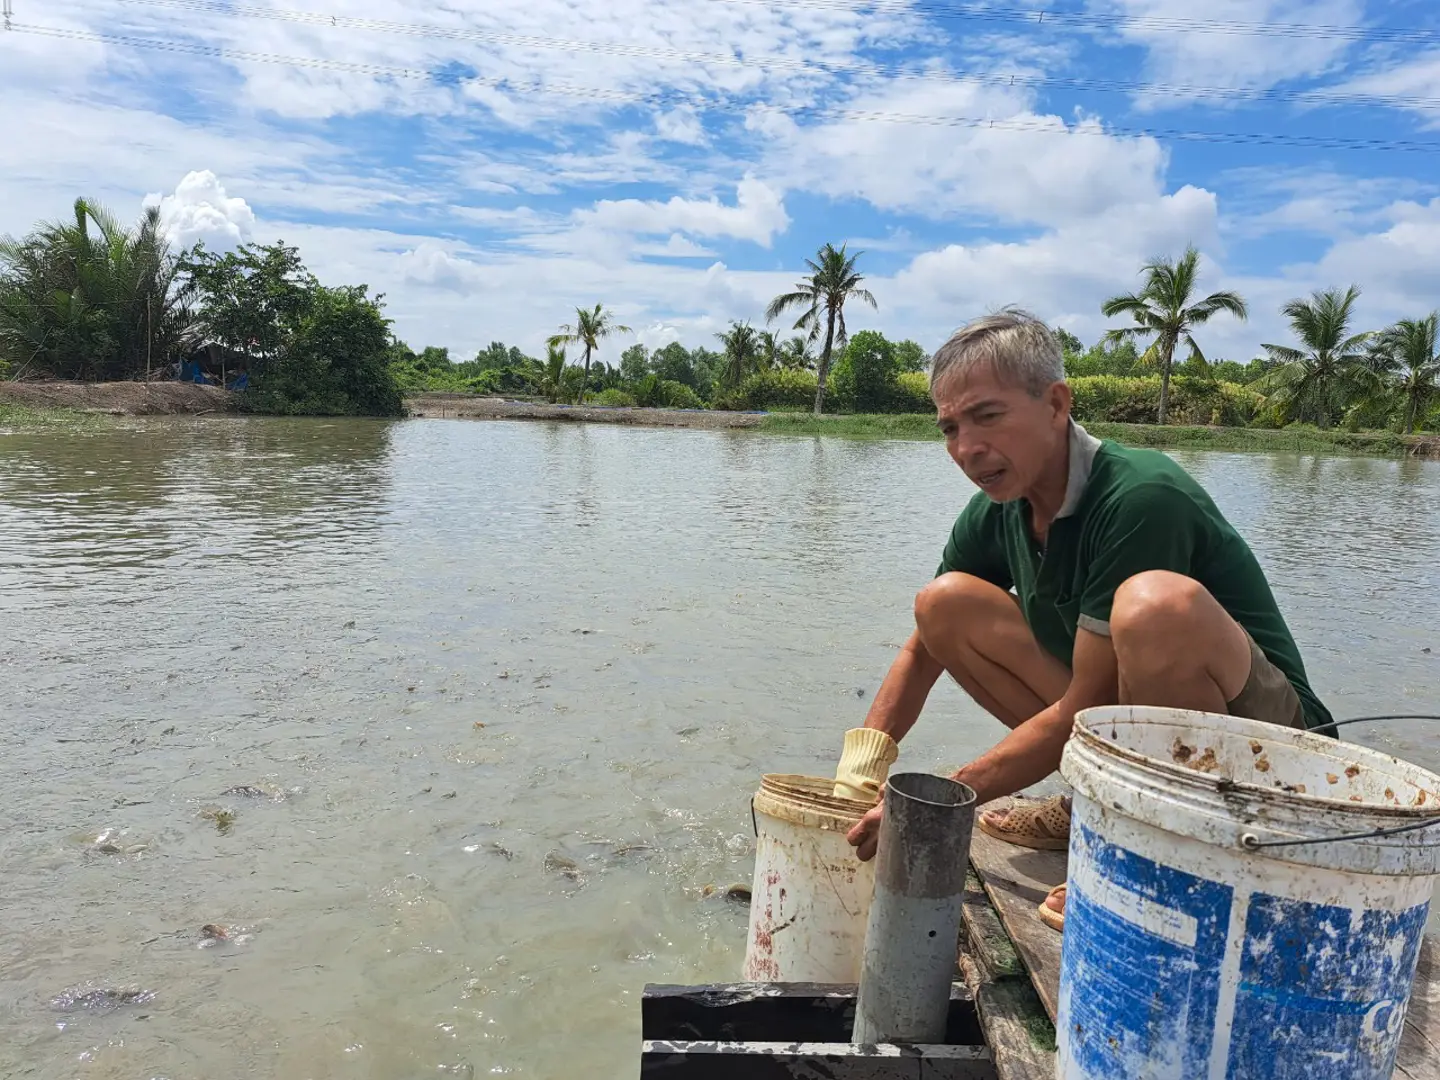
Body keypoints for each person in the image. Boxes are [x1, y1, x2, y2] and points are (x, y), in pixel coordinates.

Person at [831, 309, 1333, 932]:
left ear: (1056, 404)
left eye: (987, 416)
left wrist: (944, 799)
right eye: (950, 427)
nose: (966, 448)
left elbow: (1085, 703)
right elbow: (920, 651)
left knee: (1155, 609)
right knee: (943, 604)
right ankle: (1102, 800)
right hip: (1140, 733)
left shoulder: (1141, 496)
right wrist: (861, 770)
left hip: (1272, 752)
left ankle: (1160, 857)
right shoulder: (998, 511)